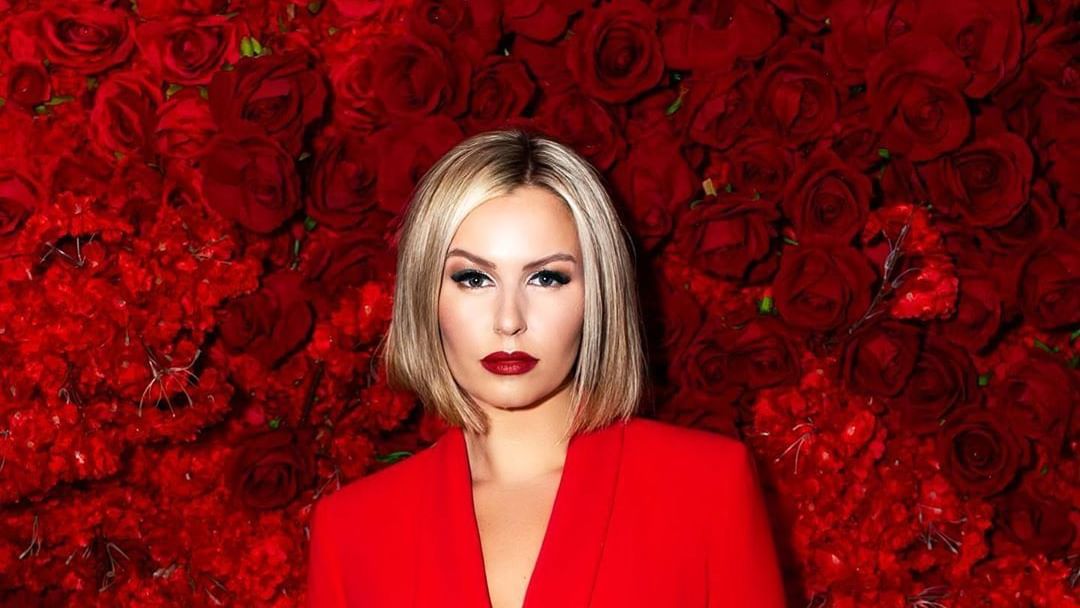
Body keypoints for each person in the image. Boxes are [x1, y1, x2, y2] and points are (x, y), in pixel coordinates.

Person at [307, 129, 787, 607]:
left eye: (546, 277)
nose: (509, 320)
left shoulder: (706, 490)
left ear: (596, 293)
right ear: (424, 295)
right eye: (473, 278)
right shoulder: (352, 531)